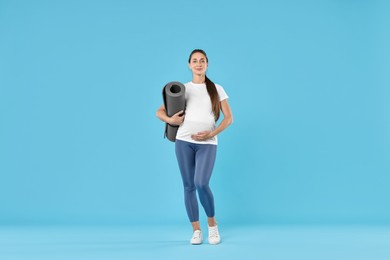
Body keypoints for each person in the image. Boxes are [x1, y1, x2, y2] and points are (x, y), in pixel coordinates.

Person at [156, 49, 233, 245]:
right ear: (189, 65)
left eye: (202, 61)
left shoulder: (216, 89)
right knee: (188, 186)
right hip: (183, 142)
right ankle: (196, 230)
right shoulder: (182, 88)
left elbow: (229, 118)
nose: (198, 64)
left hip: (207, 143)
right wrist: (169, 119)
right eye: (195, 61)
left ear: (207, 64)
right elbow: (159, 111)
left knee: (201, 183)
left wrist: (211, 134)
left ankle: (212, 226)